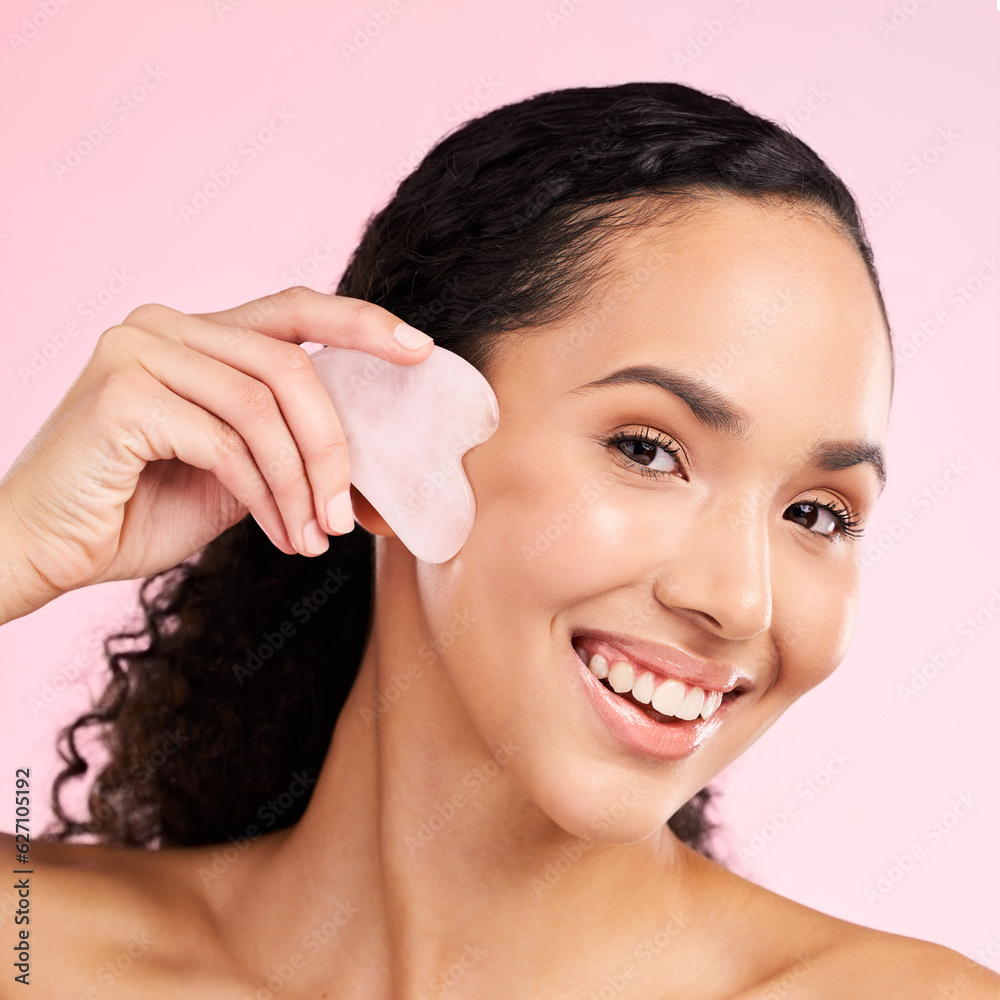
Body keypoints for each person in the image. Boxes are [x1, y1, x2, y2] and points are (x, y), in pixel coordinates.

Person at [1, 81, 996, 999]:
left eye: (815, 513)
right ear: (391, 436)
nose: (738, 601)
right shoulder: (35, 945)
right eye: (647, 449)